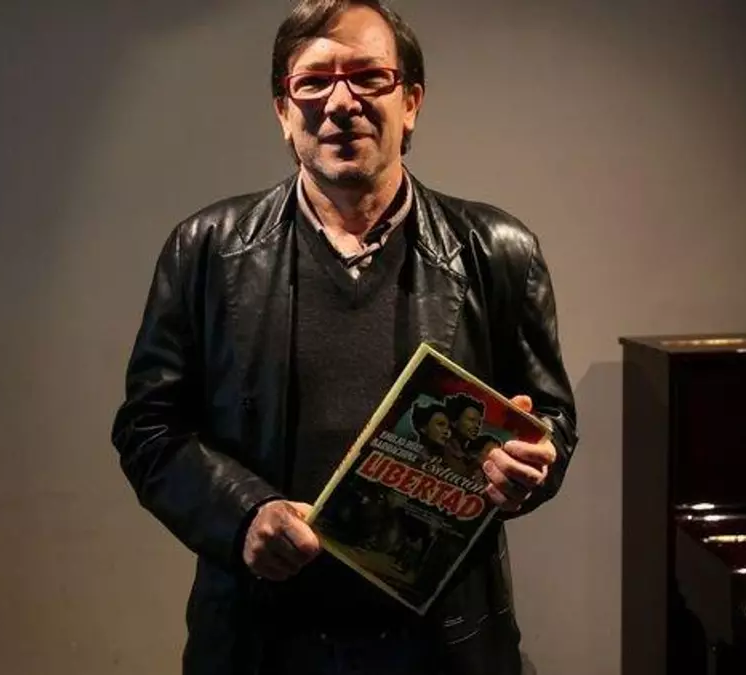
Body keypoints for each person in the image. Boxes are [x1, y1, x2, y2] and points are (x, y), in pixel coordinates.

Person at [110, 1, 578, 673]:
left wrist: (533, 461)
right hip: (260, 640)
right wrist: (245, 514)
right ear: (283, 110)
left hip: (442, 647)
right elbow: (149, 428)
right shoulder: (206, 250)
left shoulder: (498, 251)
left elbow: (551, 417)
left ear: (410, 102)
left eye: (368, 76)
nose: (341, 102)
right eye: (314, 81)